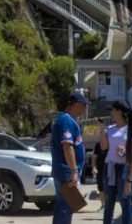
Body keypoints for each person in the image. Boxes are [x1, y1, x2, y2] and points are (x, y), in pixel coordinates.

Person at [50, 90, 88, 224]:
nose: (85, 109)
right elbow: (67, 146)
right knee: (65, 207)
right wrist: (74, 171)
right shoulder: (66, 120)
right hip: (66, 172)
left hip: (66, 171)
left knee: (65, 206)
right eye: (84, 105)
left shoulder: (69, 120)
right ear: (77, 104)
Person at [99, 100, 131, 224]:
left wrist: (125, 149)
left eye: (112, 110)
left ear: (119, 111)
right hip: (110, 166)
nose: (110, 113)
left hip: (123, 167)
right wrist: (102, 130)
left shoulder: (130, 129)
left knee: (124, 201)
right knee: (109, 201)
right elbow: (103, 147)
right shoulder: (110, 129)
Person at [92, 140, 107, 211]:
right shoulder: (98, 145)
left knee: (109, 188)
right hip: (100, 169)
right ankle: (103, 205)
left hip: (110, 169)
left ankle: (108, 206)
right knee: (100, 188)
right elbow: (94, 157)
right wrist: (94, 167)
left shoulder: (111, 142)